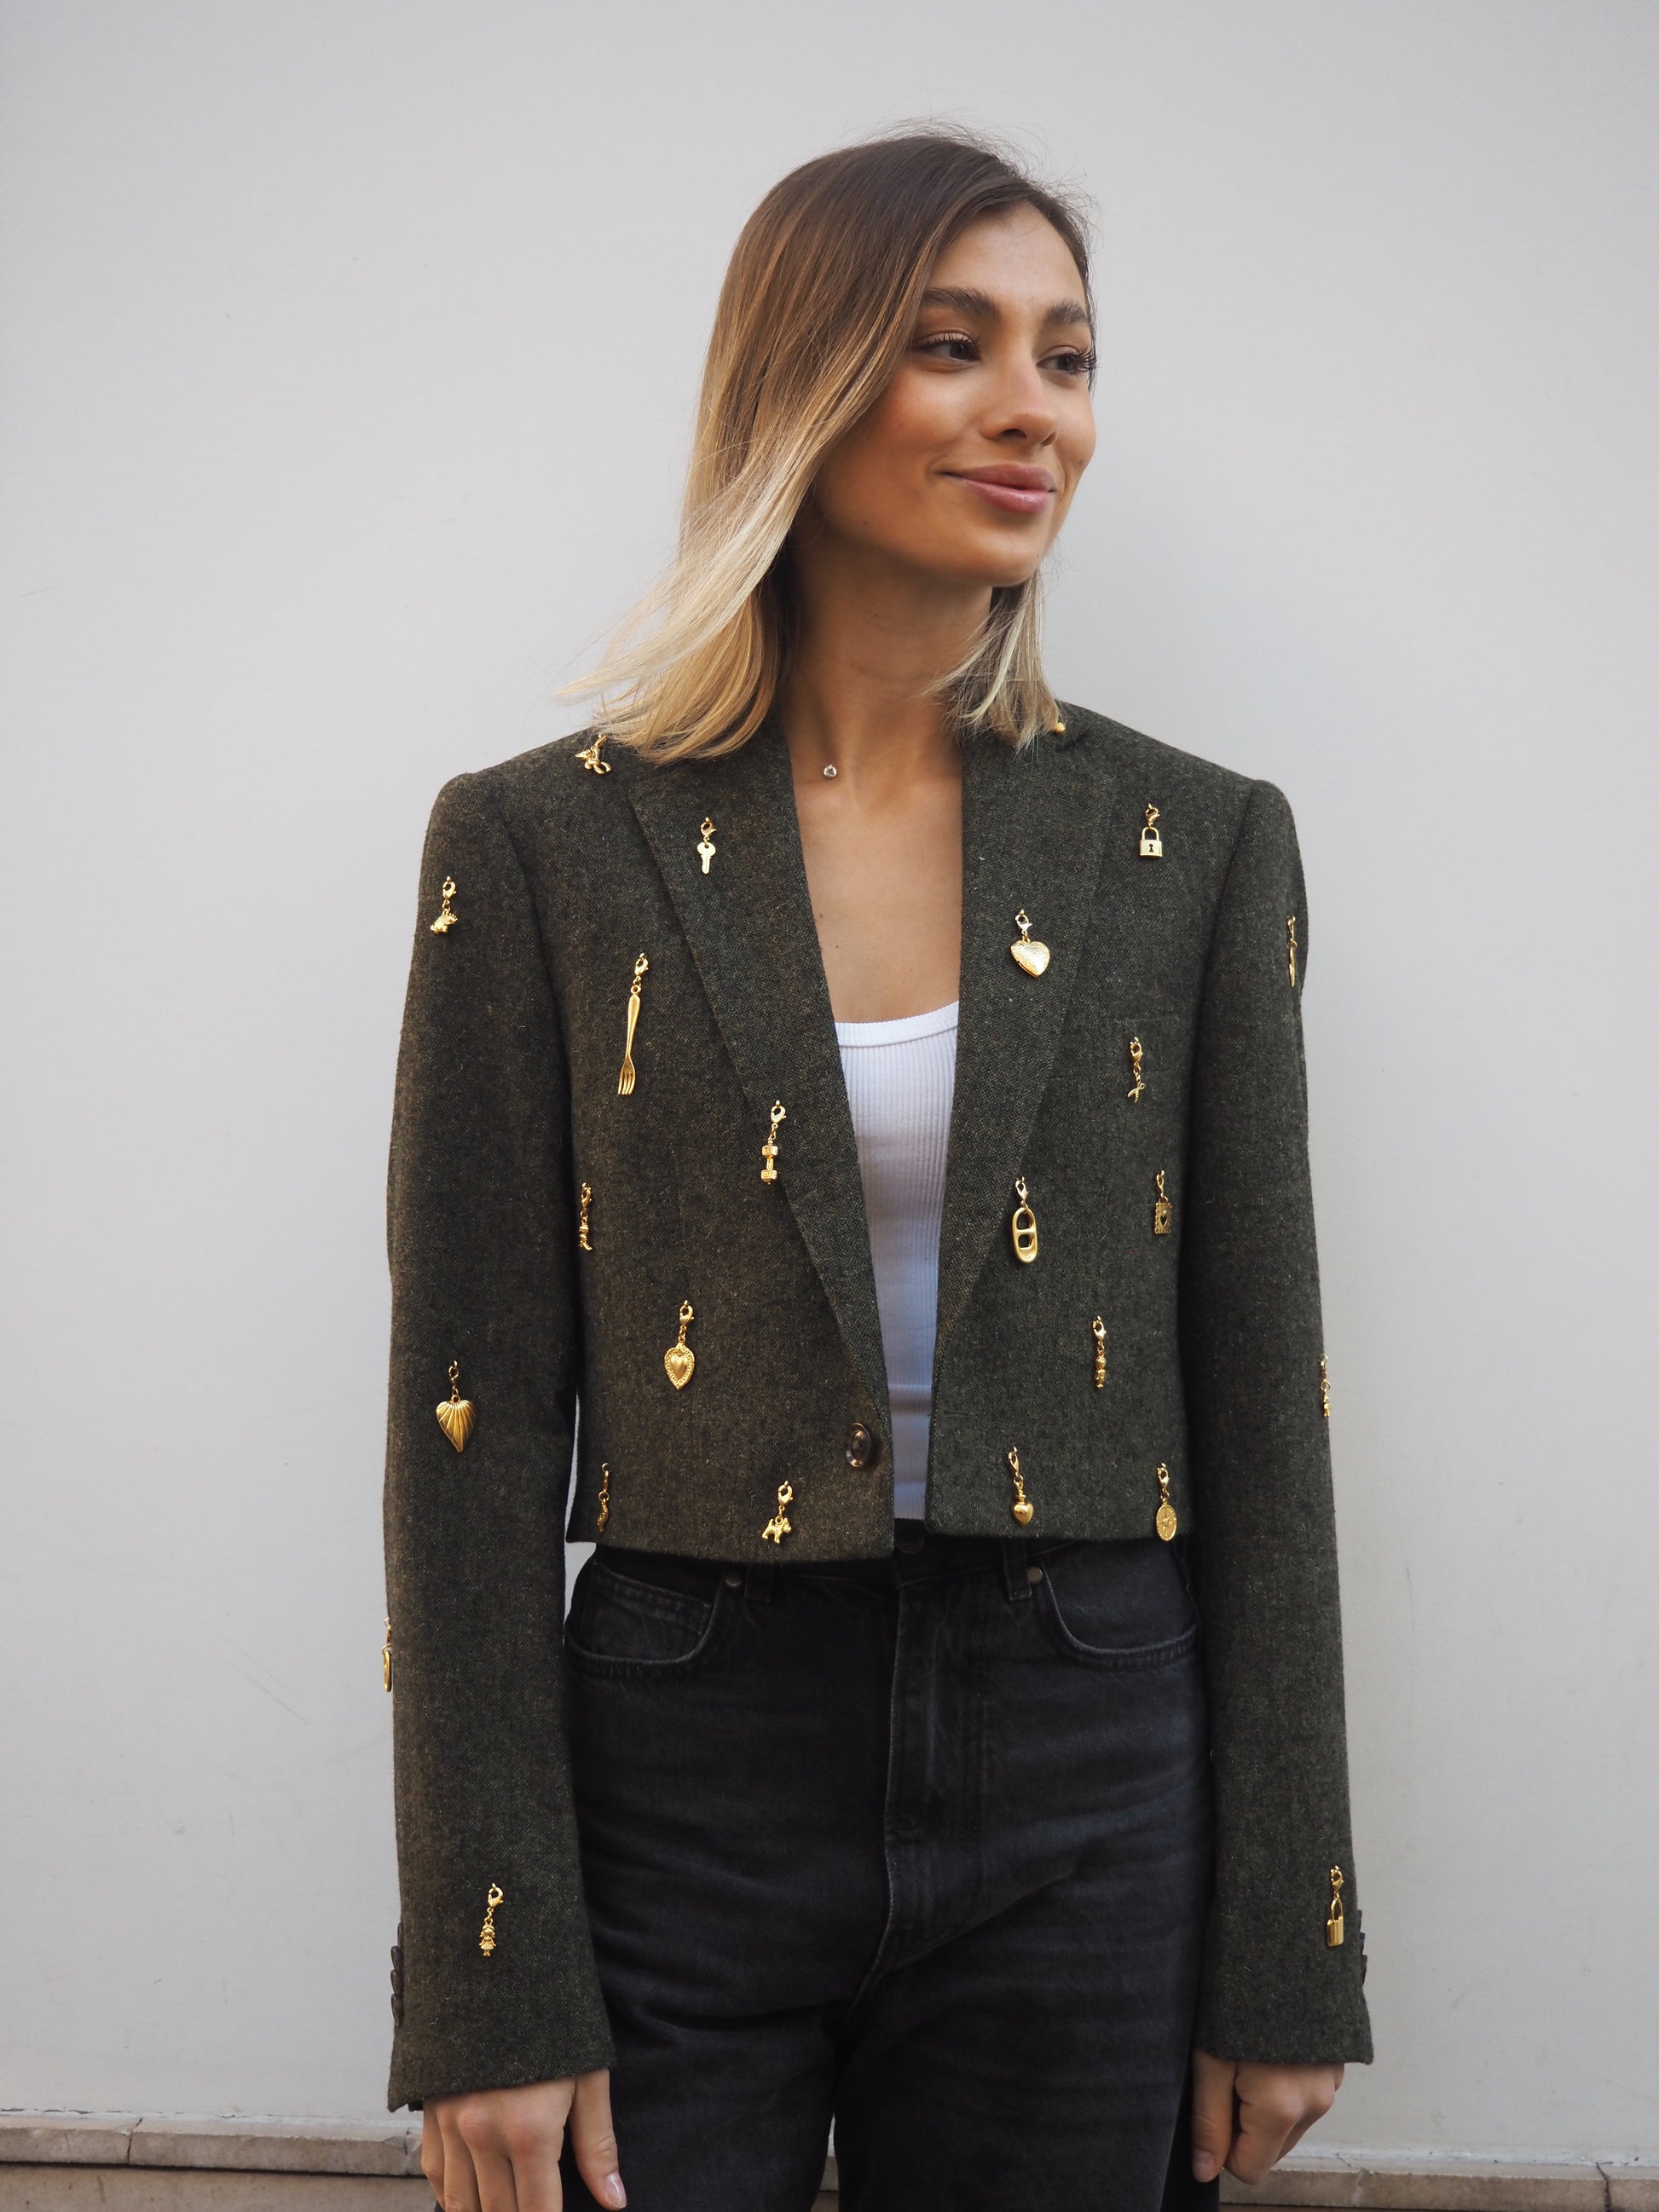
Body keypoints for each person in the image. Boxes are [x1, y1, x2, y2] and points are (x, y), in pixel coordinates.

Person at [381, 128, 1373, 2212]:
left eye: (1066, 357)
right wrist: (487, 1973)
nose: (1034, 410)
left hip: (1091, 1746)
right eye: (953, 344)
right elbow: (467, 1430)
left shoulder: (1190, 847)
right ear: (805, 382)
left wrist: (1291, 1930)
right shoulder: (545, 844)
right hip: (684, 1751)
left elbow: (1261, 1404)